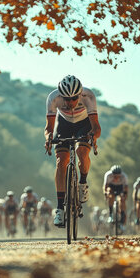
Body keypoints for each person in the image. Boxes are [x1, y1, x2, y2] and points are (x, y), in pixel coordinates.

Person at [44, 75, 101, 227]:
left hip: (84, 124)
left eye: (74, 98)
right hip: (63, 125)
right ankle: (60, 209)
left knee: (82, 153)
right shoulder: (53, 98)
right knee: (61, 161)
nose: (70, 102)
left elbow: (96, 127)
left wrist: (93, 137)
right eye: (66, 99)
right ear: (61, 95)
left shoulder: (88, 96)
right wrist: (48, 138)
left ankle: (82, 182)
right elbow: (49, 128)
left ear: (79, 95)